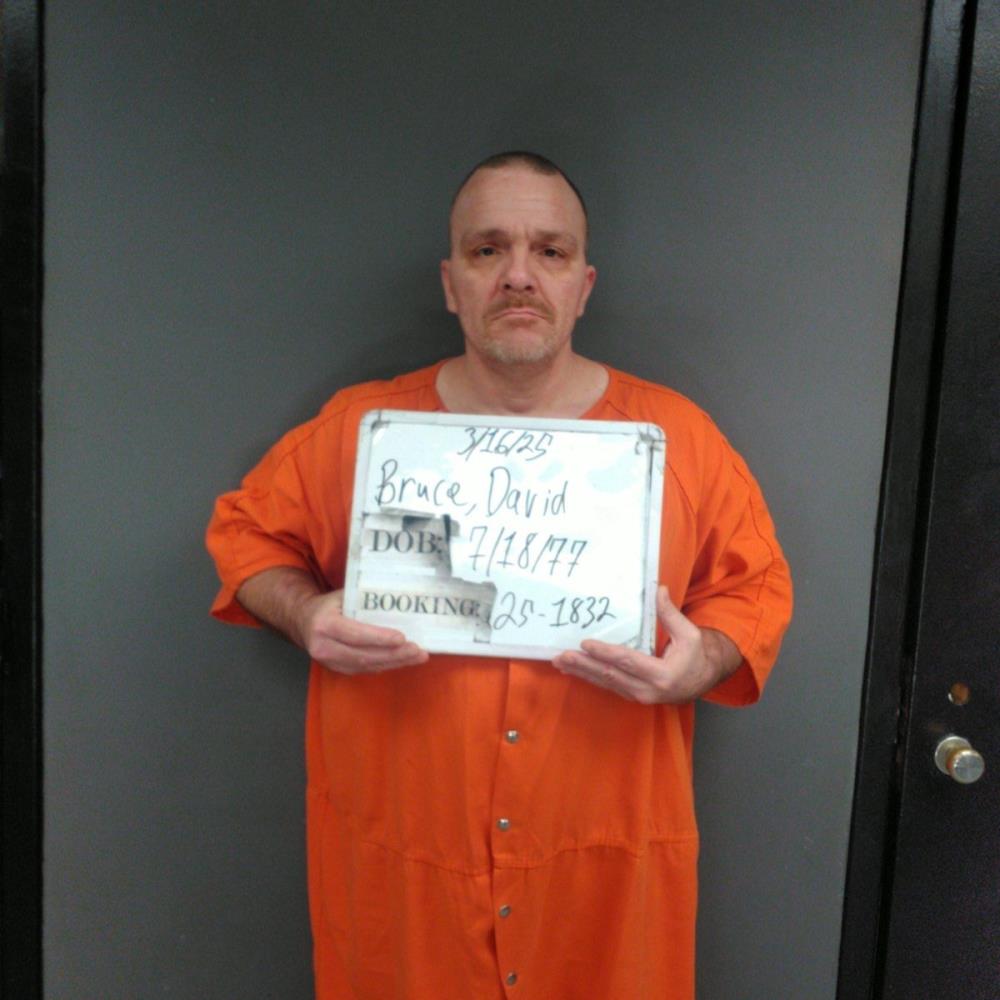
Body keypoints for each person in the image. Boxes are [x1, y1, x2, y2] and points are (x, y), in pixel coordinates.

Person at [206, 151, 793, 1000]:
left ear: (583, 285)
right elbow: (245, 533)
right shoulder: (365, 430)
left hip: (601, 897)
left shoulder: (678, 440)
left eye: (550, 251)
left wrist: (703, 662)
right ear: (452, 283)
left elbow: (757, 585)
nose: (519, 275)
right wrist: (303, 614)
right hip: (408, 898)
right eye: (488, 250)